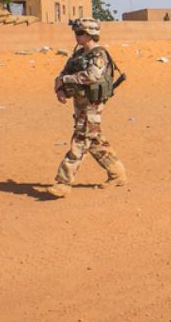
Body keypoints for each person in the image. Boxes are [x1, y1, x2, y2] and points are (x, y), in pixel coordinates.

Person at [44, 19, 127, 198]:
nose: (76, 36)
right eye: (76, 32)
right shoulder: (78, 54)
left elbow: (92, 76)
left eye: (80, 33)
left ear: (90, 34)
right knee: (95, 140)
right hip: (80, 105)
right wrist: (60, 89)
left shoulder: (99, 55)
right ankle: (117, 174)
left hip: (92, 106)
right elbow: (63, 74)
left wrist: (65, 81)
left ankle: (63, 183)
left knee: (80, 141)